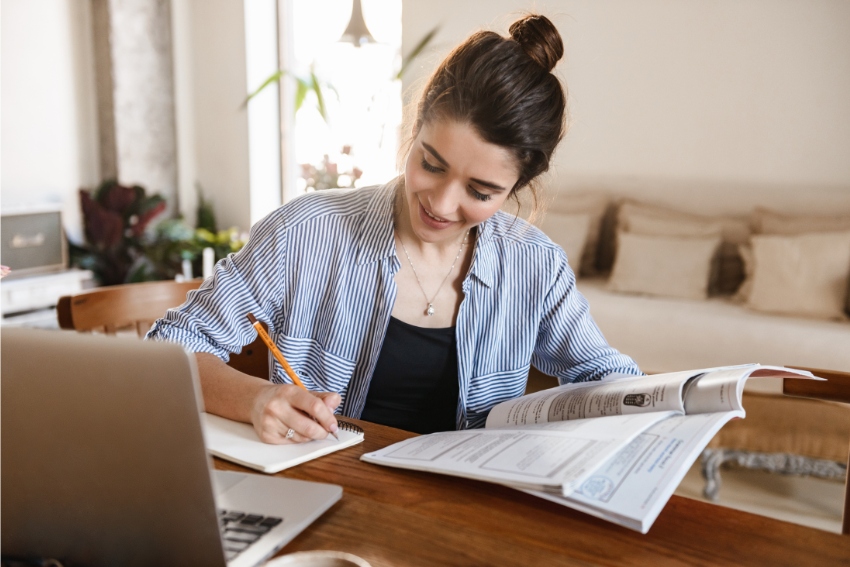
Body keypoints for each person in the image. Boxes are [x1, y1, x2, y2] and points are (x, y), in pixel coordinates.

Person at [147, 14, 641, 444]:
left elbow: (605, 376)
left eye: (480, 192)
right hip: (329, 487)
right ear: (414, 127)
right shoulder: (305, 233)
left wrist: (657, 402)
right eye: (431, 164)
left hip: (464, 506)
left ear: (517, 187)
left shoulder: (534, 264)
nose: (441, 204)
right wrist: (258, 399)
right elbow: (170, 348)